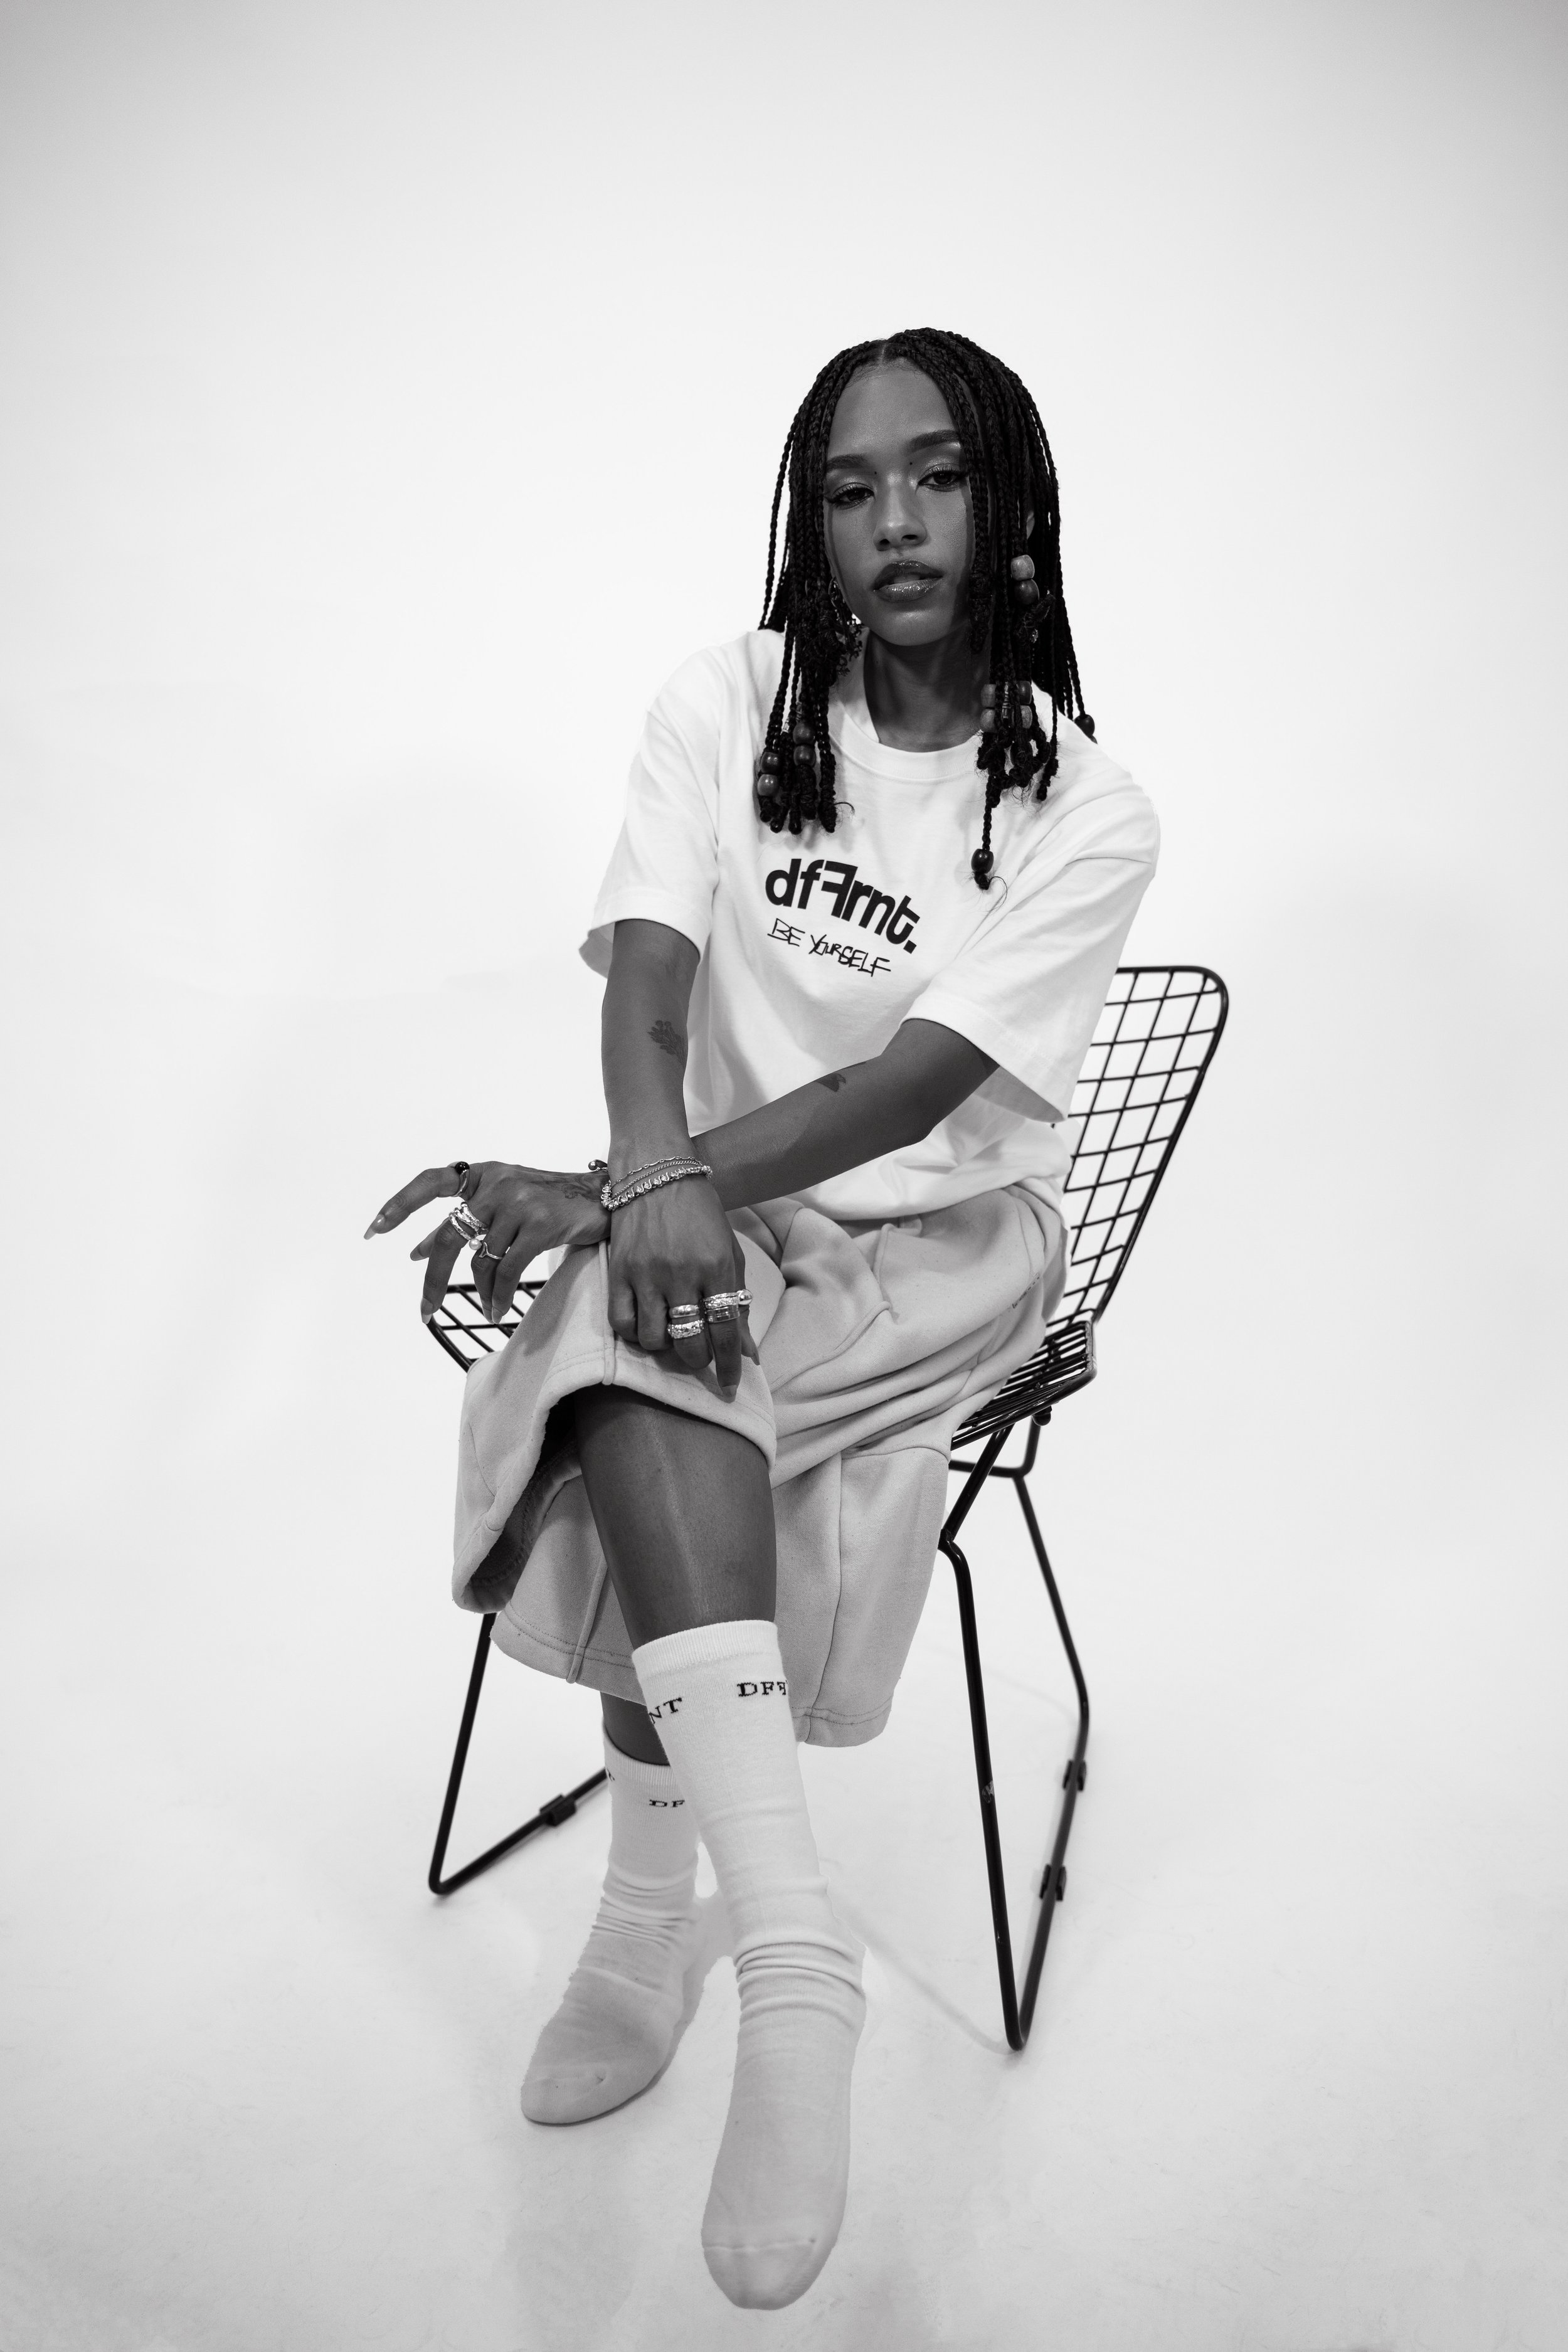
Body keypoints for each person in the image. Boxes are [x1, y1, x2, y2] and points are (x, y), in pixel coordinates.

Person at [366, 327, 1158, 2311]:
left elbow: (905, 1093)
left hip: (938, 1240)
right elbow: (643, 994)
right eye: (849, 482)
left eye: (939, 475)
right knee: (652, 1350)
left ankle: (661, 1912)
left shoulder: (1083, 807)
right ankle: (754, 1939)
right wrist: (649, 1180)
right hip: (712, 1200)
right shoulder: (722, 705)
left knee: (636, 1356)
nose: (893, 520)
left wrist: (642, 1199)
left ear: (1011, 504)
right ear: (803, 515)